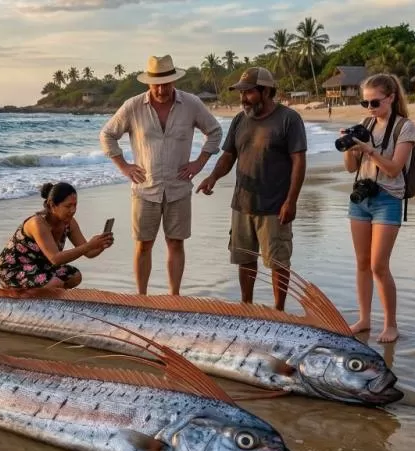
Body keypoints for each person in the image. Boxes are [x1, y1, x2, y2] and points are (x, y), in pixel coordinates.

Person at [99, 54, 223, 296]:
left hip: (179, 186)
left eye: (166, 84)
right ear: (148, 82)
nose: (161, 89)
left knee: (175, 243)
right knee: (143, 245)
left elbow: (215, 131)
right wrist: (124, 166)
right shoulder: (133, 106)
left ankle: (174, 297)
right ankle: (141, 297)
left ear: (174, 80)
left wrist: (199, 163)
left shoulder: (191, 104)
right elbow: (107, 135)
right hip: (145, 188)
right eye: (156, 84)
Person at [195, 67, 307, 311]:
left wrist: (291, 201)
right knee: (244, 259)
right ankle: (246, 307)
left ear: (265, 91)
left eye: (248, 92)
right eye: (241, 93)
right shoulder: (240, 120)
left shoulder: (289, 119)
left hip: (275, 206)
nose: (243, 98)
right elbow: (229, 155)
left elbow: (299, 161)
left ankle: (279, 312)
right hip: (242, 203)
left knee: (278, 262)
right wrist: (213, 177)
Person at [338, 74, 415, 344]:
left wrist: (369, 150)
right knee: (362, 263)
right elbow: (350, 168)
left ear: (391, 97)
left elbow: (394, 169)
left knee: (379, 266)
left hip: (388, 199)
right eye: (365, 103)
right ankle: (364, 319)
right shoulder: (366, 124)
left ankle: (390, 324)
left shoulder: (405, 127)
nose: (370, 108)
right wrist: (349, 148)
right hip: (361, 197)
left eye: (375, 102)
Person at [0, 182, 113, 290]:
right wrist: (89, 245)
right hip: (13, 269)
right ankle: (24, 295)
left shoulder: (69, 222)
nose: (73, 210)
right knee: (55, 283)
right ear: (52, 205)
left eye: (75, 205)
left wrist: (101, 245)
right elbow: (56, 259)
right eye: (68, 206)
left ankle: (44, 295)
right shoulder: (37, 223)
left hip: (40, 267)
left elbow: (89, 253)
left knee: (75, 276)